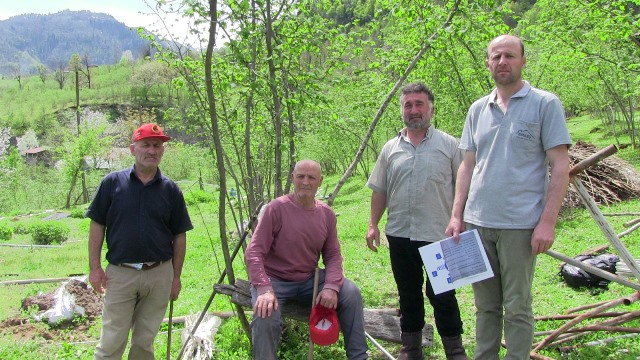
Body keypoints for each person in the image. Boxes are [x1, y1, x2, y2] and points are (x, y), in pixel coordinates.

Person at [445, 35, 571, 359]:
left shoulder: (545, 104)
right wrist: (457, 215)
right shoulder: (477, 109)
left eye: (510, 56)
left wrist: (548, 222)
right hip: (476, 224)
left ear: (523, 61)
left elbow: (560, 167)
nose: (503, 62)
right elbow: (467, 166)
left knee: (517, 307)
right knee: (485, 307)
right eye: (496, 56)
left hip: (520, 226)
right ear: (487, 63)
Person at [366, 82, 469, 360]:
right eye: (408, 105)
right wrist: (373, 224)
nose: (414, 110)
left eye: (419, 104)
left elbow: (464, 185)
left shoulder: (449, 145)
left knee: (443, 296)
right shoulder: (390, 149)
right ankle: (411, 348)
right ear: (401, 110)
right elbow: (380, 190)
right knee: (408, 295)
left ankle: (455, 350)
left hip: (439, 235)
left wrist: (463, 219)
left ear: (431, 109)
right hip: (400, 236)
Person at [86, 123, 193, 360]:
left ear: (163, 151)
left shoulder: (171, 190)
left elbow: (179, 235)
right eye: (146, 145)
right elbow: (97, 225)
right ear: (132, 149)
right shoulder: (112, 183)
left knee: (145, 343)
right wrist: (95, 268)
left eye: (157, 145)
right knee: (112, 342)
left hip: (159, 274)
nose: (152, 150)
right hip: (120, 274)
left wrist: (175, 277)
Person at [245, 159, 368, 360]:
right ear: (293, 178)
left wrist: (331, 287)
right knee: (264, 315)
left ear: (320, 181)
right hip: (274, 281)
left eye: (311, 178)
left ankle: (359, 356)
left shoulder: (326, 214)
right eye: (300, 176)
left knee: (351, 292)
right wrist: (263, 289)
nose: (305, 182)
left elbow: (332, 254)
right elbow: (254, 252)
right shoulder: (276, 209)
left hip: (309, 280)